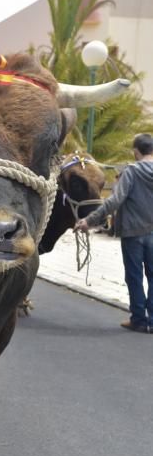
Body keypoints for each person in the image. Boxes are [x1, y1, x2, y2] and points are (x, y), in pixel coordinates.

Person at [75, 133, 153, 334]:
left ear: (136, 151)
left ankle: (138, 319)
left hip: (133, 233)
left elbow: (115, 200)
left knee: (134, 276)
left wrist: (89, 221)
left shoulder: (132, 172)